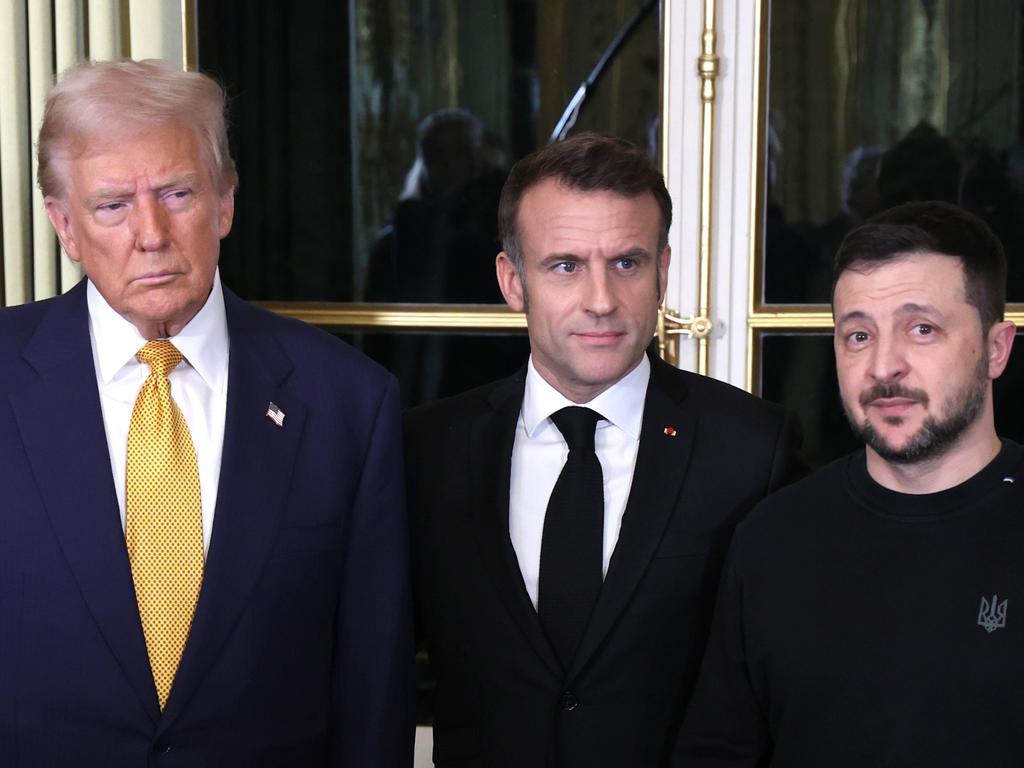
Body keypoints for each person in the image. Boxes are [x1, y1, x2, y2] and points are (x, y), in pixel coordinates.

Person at [0, 59, 413, 766]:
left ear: (224, 201)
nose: (151, 233)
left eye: (177, 192)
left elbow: (373, 687)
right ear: (64, 225)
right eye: (112, 206)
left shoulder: (348, 402)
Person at [405, 133, 802, 767]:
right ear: (513, 280)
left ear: (663, 271)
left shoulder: (752, 448)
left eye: (627, 263)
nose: (601, 301)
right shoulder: (426, 450)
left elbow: (785, 685)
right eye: (565, 265)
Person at [675, 201, 1024, 766]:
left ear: (996, 349)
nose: (885, 366)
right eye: (858, 336)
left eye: (922, 329)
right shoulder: (772, 540)